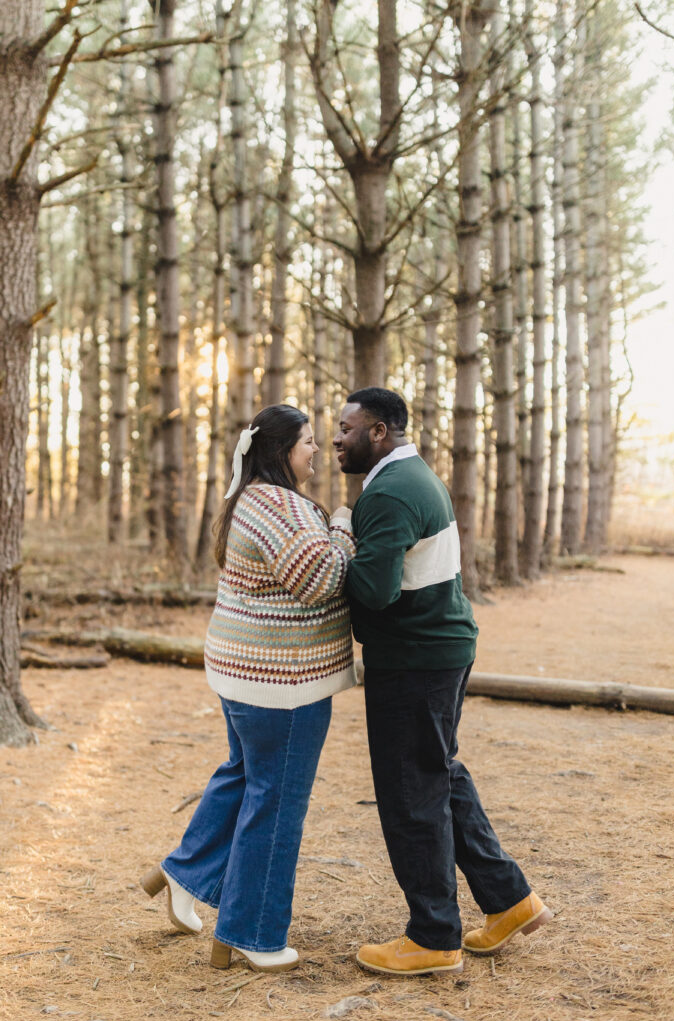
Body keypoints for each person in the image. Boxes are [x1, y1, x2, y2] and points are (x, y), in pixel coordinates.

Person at [333, 386, 552, 977]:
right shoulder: (414, 479)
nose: (336, 438)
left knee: (410, 795)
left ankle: (432, 936)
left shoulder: (389, 493)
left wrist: (339, 542)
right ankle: (509, 900)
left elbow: (372, 592)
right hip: (440, 650)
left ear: (379, 432)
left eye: (347, 428)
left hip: (414, 660)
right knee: (437, 775)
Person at [141, 405, 356, 973]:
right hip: (279, 685)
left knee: (246, 779)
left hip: (245, 675)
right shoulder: (279, 505)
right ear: (282, 450)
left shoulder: (254, 498)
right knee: (277, 801)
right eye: (308, 441)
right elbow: (320, 579)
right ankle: (251, 934)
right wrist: (341, 525)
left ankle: (184, 872)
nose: (317, 450)